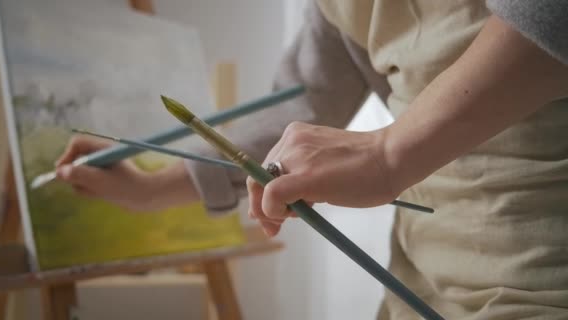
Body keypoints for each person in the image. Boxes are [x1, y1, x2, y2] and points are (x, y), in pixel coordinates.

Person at [55, 0, 568, 318]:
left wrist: (390, 152)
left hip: (543, 282)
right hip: (419, 286)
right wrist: (154, 186)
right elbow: (299, 106)